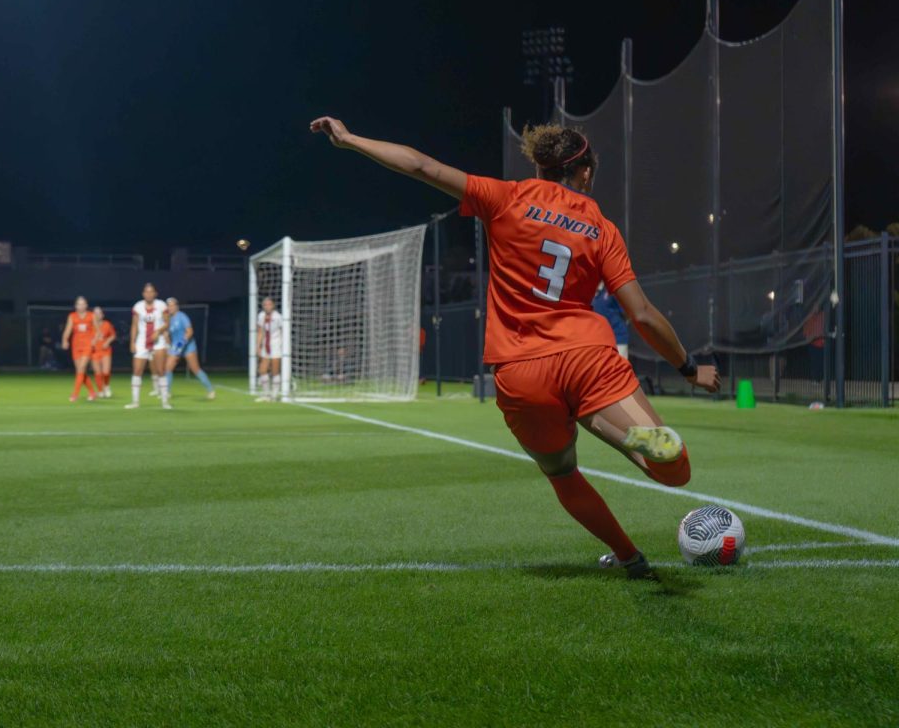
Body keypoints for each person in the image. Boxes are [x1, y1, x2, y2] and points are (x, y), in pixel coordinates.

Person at [310, 115, 720, 579]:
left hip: (520, 370)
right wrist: (689, 368)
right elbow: (641, 314)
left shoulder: (504, 197)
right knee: (674, 471)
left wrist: (350, 139)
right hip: (586, 354)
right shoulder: (601, 229)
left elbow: (422, 167)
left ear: (542, 167)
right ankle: (627, 435)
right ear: (583, 172)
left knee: (563, 473)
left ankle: (629, 557)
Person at [126, 283, 170, 409]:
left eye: (151, 291)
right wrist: (132, 341)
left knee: (161, 371)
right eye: (146, 291)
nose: (149, 294)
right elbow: (134, 325)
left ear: (155, 293)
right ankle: (135, 402)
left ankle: (165, 402)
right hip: (142, 342)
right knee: (137, 371)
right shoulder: (138, 306)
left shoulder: (161, 305)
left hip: (159, 341)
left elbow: (167, 323)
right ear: (143, 294)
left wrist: (158, 331)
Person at [164, 297, 216, 401]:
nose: (170, 307)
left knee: (195, 369)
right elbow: (168, 335)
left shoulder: (182, 316)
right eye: (168, 305)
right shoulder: (168, 319)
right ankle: (167, 392)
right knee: (167, 368)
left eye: (172, 305)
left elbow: (189, 332)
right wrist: (168, 344)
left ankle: (211, 390)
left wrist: (181, 345)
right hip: (176, 347)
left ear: (176, 306)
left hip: (188, 346)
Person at [62, 296, 99, 402]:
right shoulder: (72, 316)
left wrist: (94, 340)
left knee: (82, 368)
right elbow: (67, 330)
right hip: (76, 346)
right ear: (76, 306)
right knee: (80, 371)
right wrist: (65, 340)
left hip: (87, 346)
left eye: (83, 304)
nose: (81, 306)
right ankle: (92, 392)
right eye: (79, 304)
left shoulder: (91, 315)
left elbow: (97, 331)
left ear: (86, 305)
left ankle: (75, 394)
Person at [255, 297, 283, 402]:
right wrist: (258, 346)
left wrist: (283, 346)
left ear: (273, 305)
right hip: (266, 346)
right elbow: (260, 331)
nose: (267, 306)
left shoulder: (278, 317)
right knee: (262, 370)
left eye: (269, 304)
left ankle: (274, 395)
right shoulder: (261, 316)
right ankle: (266, 395)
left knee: (275, 371)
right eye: (265, 305)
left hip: (276, 345)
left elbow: (283, 330)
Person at [592, 282, 630, 359]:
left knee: (619, 369)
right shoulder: (588, 293)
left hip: (618, 338)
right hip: (599, 340)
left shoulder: (611, 289)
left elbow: (626, 312)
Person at [90, 306, 117, 399]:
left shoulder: (107, 324)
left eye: (99, 313)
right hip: (94, 352)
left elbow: (113, 335)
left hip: (105, 351)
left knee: (106, 372)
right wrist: (91, 342)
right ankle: (100, 390)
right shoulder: (90, 325)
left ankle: (106, 386)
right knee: (97, 372)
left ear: (102, 315)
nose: (97, 315)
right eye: (95, 313)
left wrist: (107, 341)